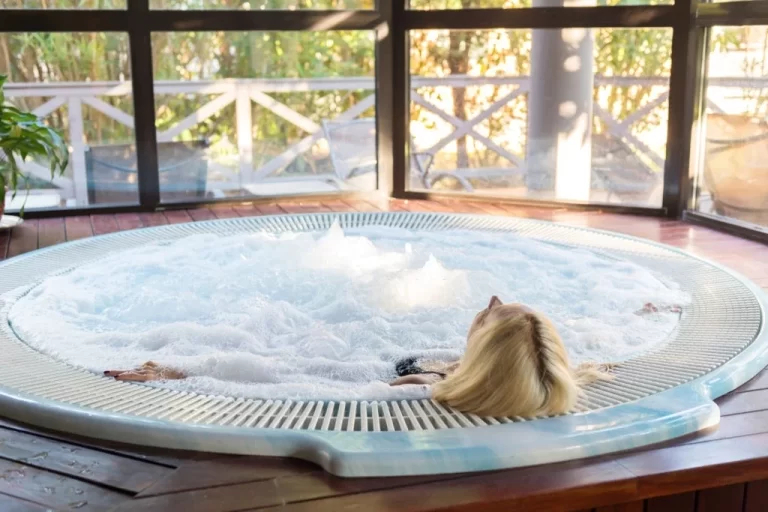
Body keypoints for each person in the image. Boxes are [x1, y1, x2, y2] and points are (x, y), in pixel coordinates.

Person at [106, 296, 663, 418]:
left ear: (490, 353)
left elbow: (297, 381)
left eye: (491, 313)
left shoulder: (413, 389)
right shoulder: (547, 380)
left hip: (365, 363)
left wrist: (182, 371)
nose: (488, 302)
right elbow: (590, 360)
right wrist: (649, 314)